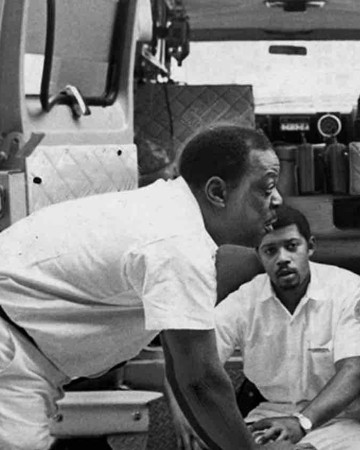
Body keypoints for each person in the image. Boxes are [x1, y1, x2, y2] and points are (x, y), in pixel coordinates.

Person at [0, 125, 287, 450]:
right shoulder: (179, 243)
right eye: (266, 188)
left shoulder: (168, 211)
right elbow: (200, 380)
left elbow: (187, 373)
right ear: (217, 192)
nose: (277, 200)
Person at [168, 206, 360, 450]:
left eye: (292, 246)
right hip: (269, 418)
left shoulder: (347, 288)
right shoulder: (245, 300)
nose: (282, 258)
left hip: (341, 422)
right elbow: (189, 357)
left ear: (310, 246)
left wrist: (301, 422)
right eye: (270, 250)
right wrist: (183, 414)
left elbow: (353, 372)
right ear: (259, 256)